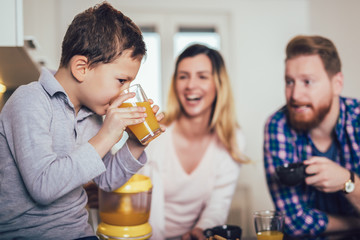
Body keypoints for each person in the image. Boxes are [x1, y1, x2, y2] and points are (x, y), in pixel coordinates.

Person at [0, 3, 163, 240]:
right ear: (81, 68)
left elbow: (107, 180)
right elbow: (43, 187)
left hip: (79, 233)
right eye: (121, 81)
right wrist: (106, 136)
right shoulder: (29, 101)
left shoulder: (92, 116)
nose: (124, 94)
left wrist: (137, 143)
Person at [141, 44, 248, 240]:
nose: (191, 85)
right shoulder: (156, 134)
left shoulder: (232, 139)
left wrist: (202, 230)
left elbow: (218, 206)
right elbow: (133, 200)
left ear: (218, 83)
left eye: (202, 76)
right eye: (183, 76)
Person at [263, 35, 360, 237]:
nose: (295, 95)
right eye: (289, 82)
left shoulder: (357, 119)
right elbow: (293, 222)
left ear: (337, 83)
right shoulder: (278, 126)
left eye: (308, 82)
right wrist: (355, 223)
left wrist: (348, 182)